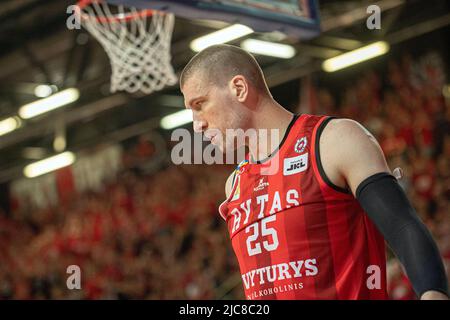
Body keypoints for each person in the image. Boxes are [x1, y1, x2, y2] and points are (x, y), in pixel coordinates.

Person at [179, 44, 448, 300]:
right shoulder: (234, 185)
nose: (197, 125)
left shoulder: (333, 141)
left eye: (199, 104)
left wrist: (433, 293)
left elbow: (402, 227)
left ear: (238, 88)